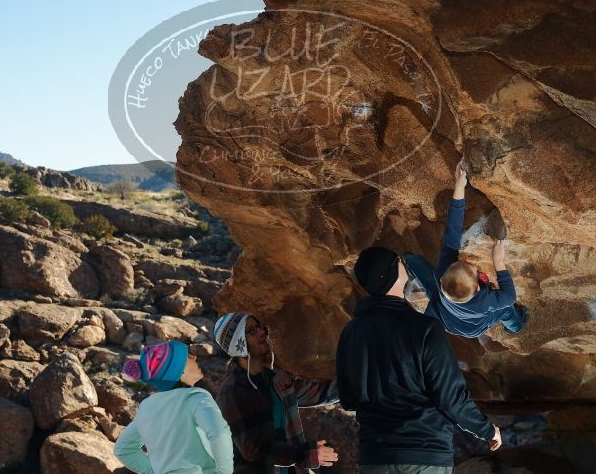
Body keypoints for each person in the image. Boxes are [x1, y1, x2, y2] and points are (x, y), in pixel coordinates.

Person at [336, 244, 502, 473]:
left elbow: (348, 399)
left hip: (374, 456)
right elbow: (450, 397)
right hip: (425, 454)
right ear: (391, 274)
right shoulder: (423, 328)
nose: (403, 264)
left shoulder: (351, 332)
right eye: (399, 262)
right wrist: (488, 430)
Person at [411, 160, 529, 337]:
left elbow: (452, 231)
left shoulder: (442, 273)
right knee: (506, 310)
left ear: (443, 278)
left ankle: (409, 262)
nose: (471, 264)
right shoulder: (486, 302)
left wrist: (459, 186)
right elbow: (509, 297)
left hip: (447, 318)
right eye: (474, 271)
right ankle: (516, 326)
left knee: (415, 264)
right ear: (478, 288)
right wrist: (499, 262)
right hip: (473, 328)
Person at [214, 312, 339, 473]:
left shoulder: (277, 379)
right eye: (252, 331)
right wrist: (304, 454)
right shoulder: (232, 391)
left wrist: (363, 380)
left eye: (260, 327)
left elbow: (321, 392)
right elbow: (254, 449)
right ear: (237, 344)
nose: (262, 332)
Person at [114, 340, 233, 474]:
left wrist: (152, 471)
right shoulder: (195, 397)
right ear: (179, 371)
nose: (194, 357)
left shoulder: (147, 407)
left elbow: (123, 449)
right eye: (188, 357)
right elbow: (219, 433)